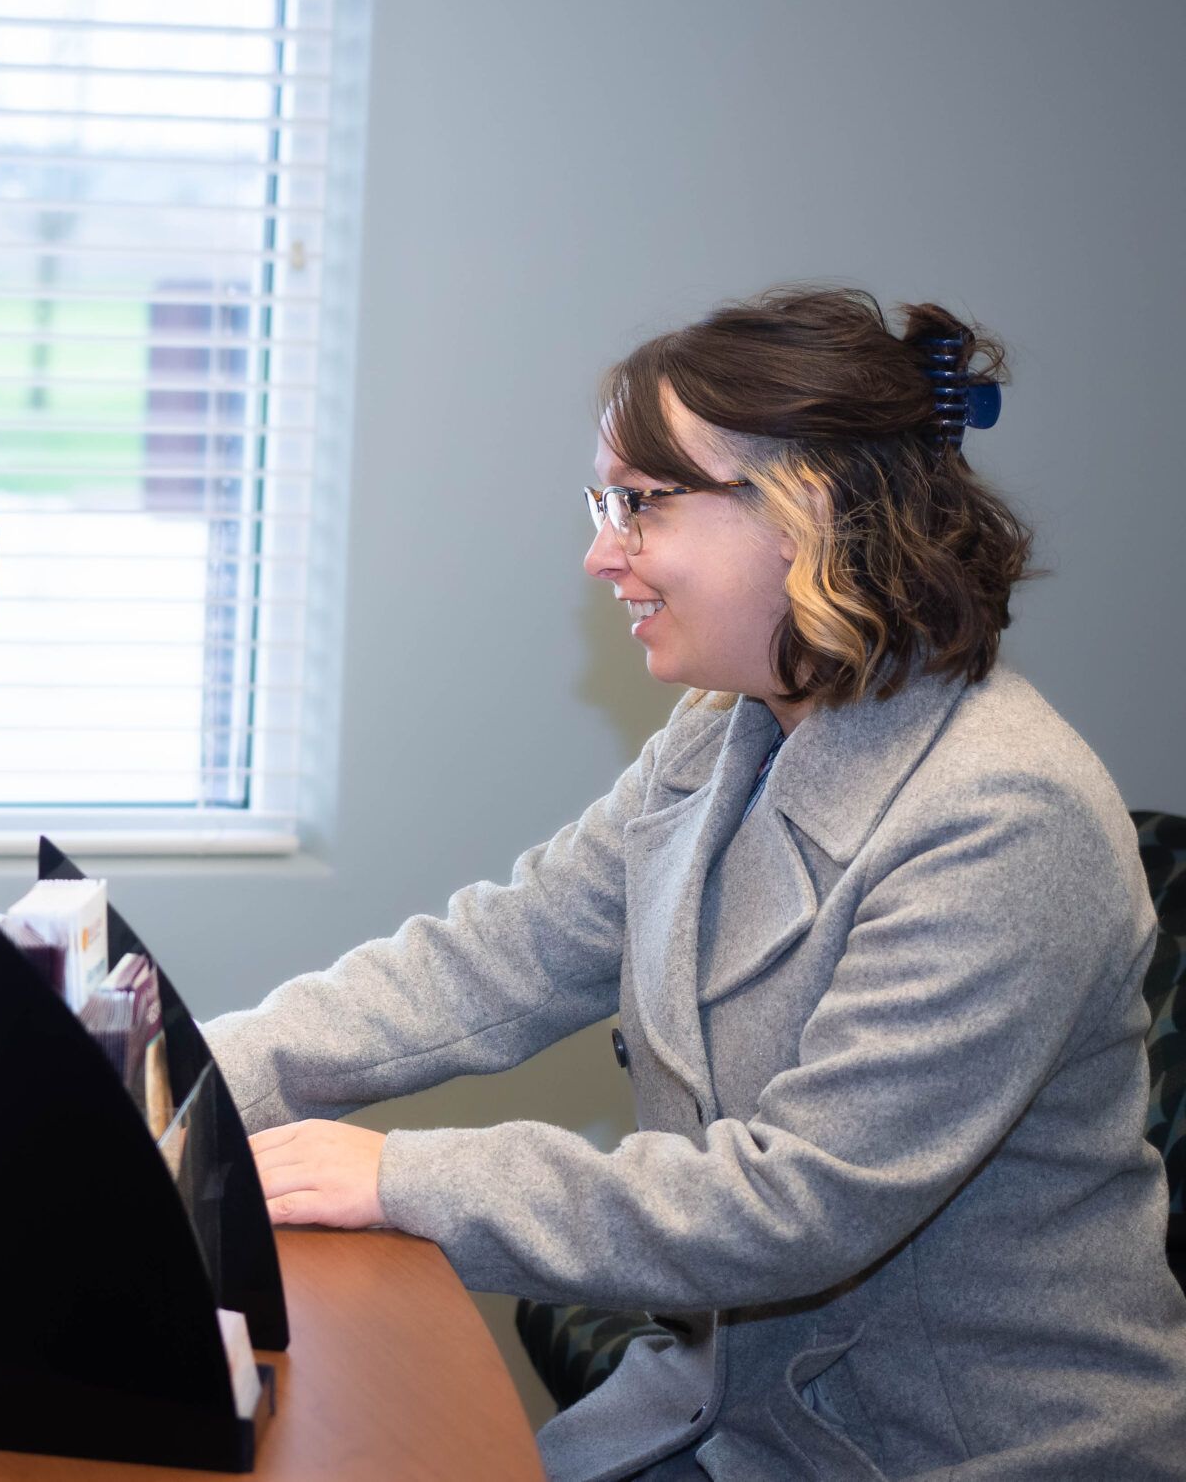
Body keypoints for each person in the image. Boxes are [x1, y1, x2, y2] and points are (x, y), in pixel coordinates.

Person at [203, 289, 1186, 1480]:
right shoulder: (724, 731)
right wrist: (182, 1082)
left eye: (640, 504)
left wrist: (401, 1175)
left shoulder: (1005, 814)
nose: (600, 550)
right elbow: (489, 962)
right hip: (734, 1422)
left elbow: (793, 1206)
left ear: (807, 510)